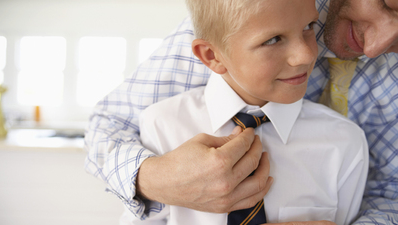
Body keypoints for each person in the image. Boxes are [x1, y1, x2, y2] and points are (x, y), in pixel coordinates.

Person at [84, 0, 398, 224]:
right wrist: (156, 178)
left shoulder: (345, 144)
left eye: (308, 28)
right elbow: (107, 127)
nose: (305, 56)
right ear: (210, 56)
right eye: (389, 5)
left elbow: (390, 193)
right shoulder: (161, 123)